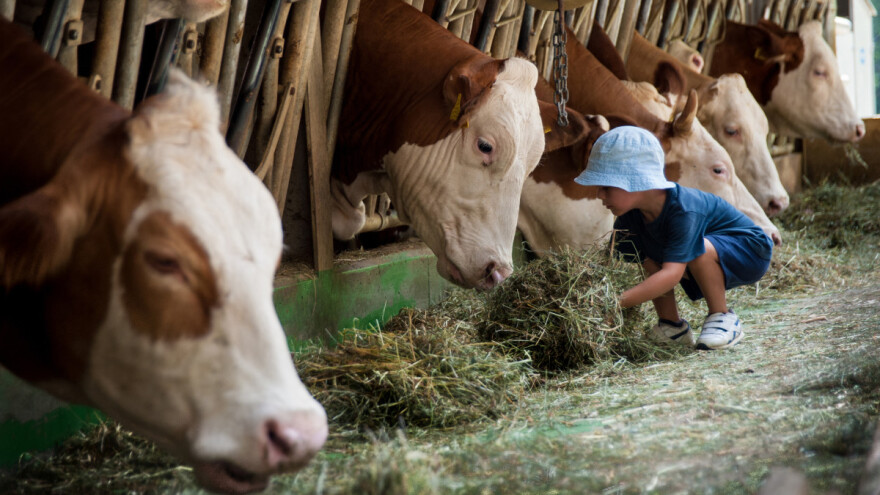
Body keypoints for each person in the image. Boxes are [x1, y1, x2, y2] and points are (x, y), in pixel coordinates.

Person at [574, 126, 774, 350]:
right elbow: (644, 267)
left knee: (699, 248)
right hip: (705, 252)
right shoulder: (630, 218)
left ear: (636, 180)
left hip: (749, 250)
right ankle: (672, 327)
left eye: (607, 186)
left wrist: (614, 302)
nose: (599, 194)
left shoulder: (684, 210)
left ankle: (722, 316)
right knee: (651, 257)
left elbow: (671, 275)